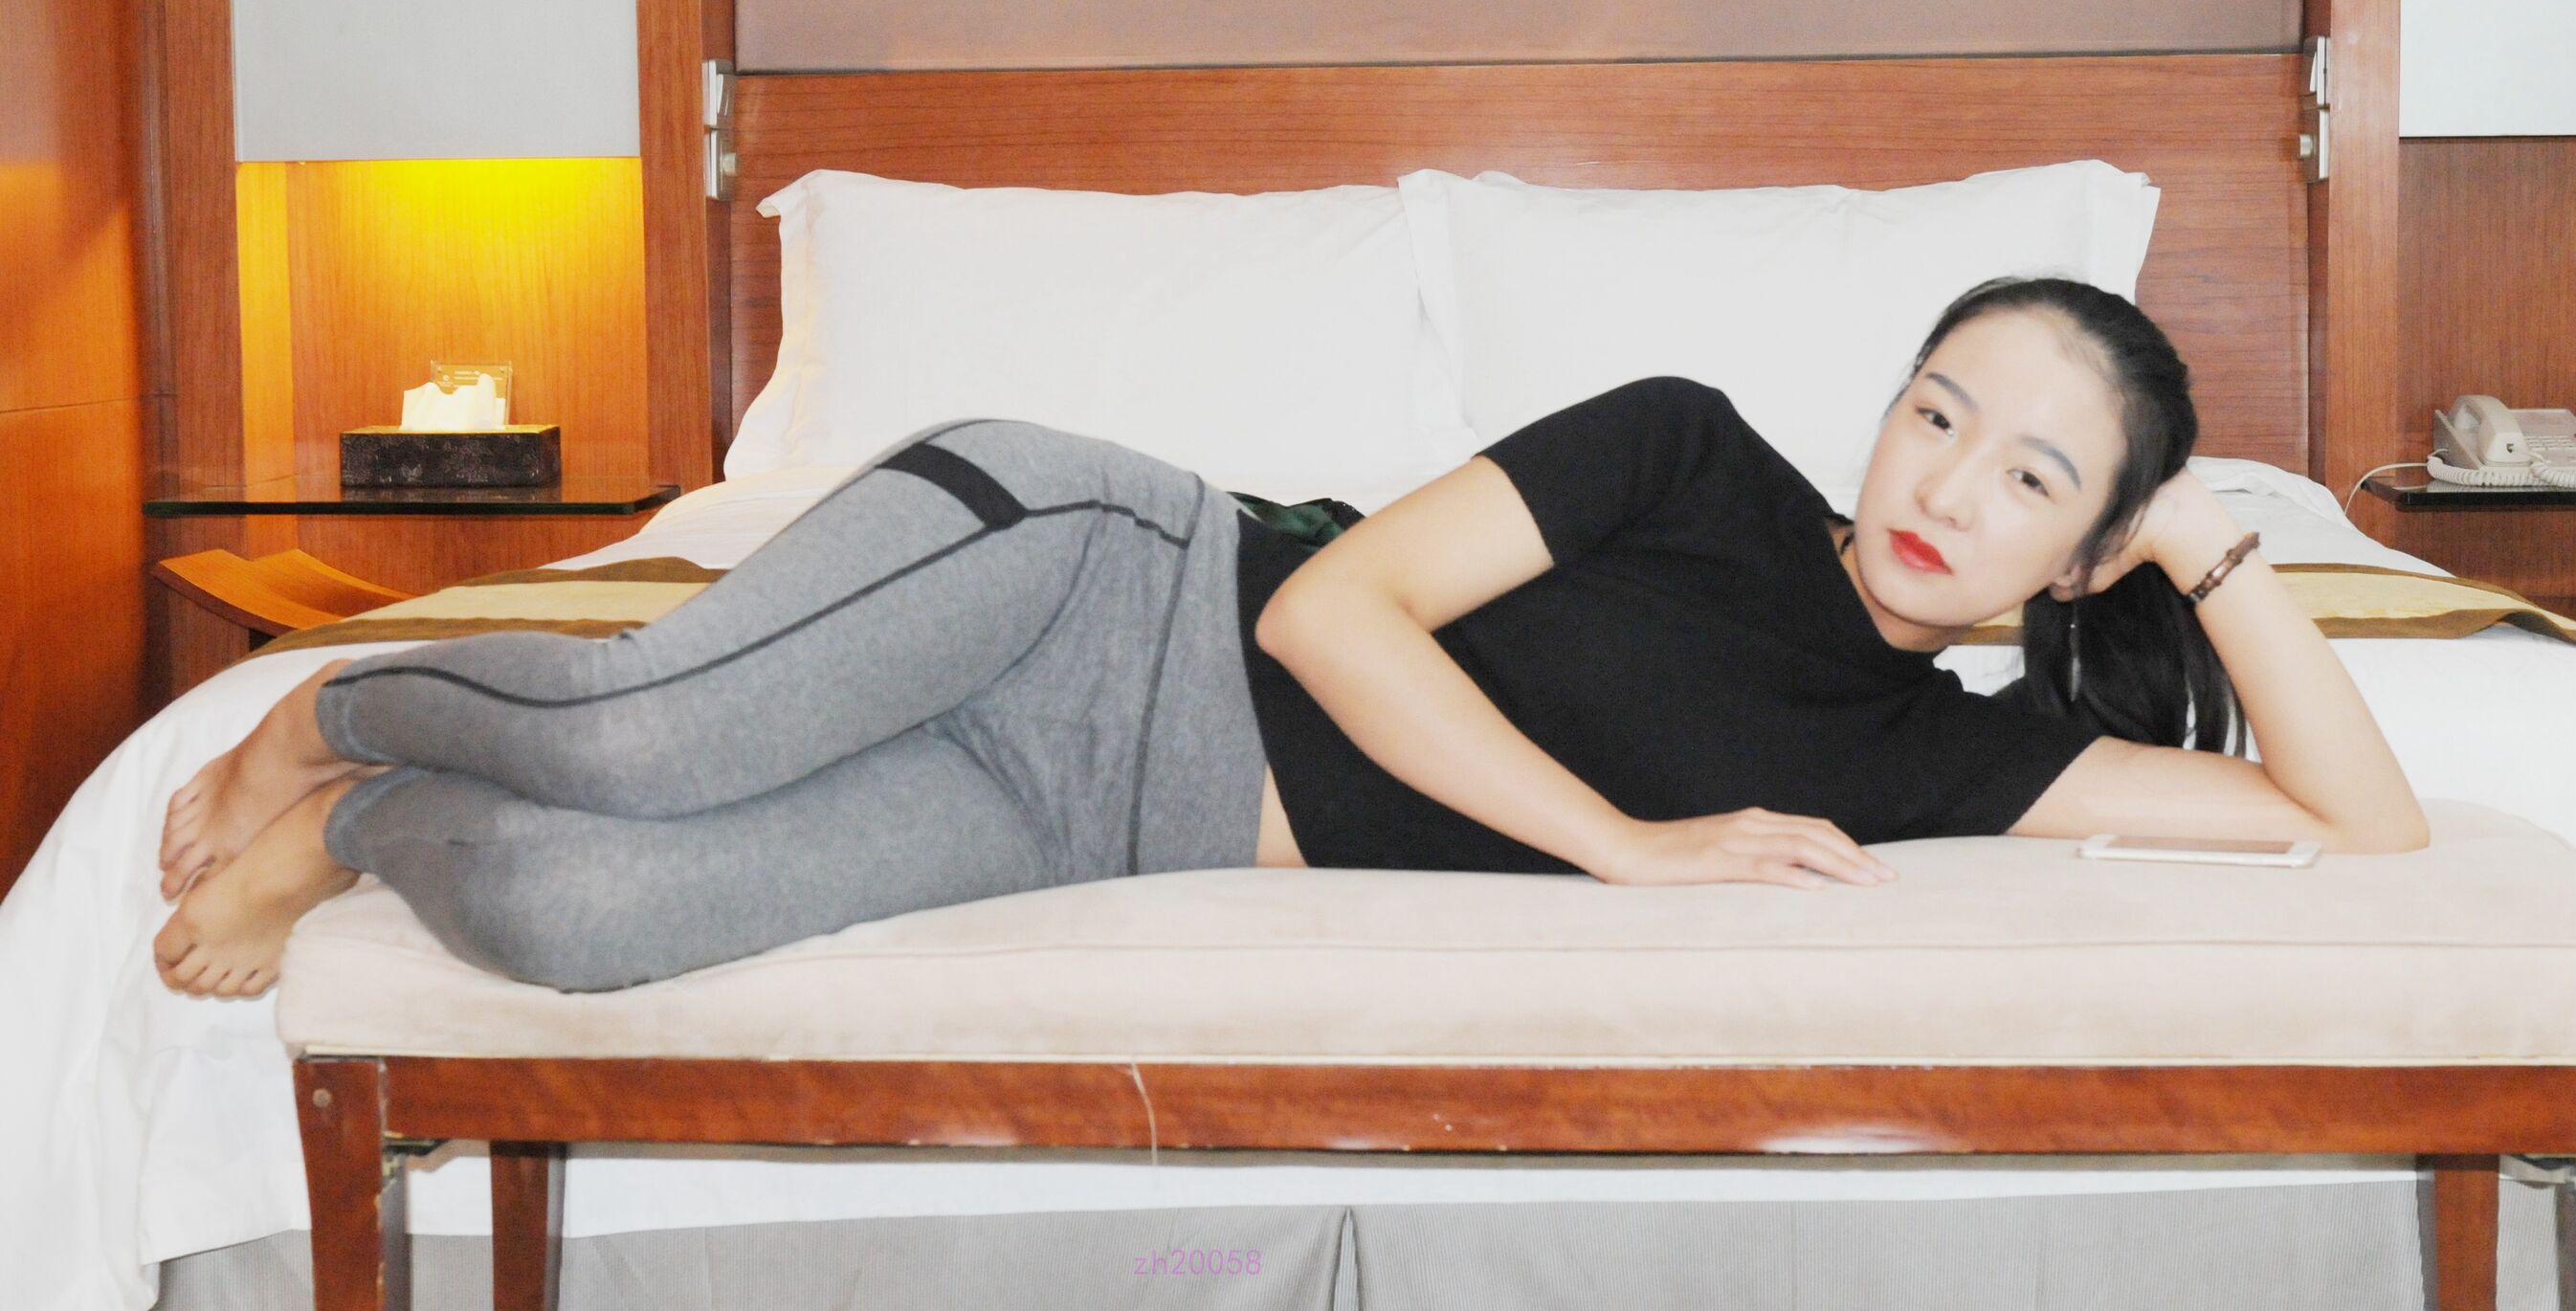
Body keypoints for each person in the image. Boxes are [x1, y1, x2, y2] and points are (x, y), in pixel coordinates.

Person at [153, 275, 2430, 999]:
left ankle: (356, 826)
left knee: (573, 919)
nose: (1947, 485)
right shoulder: (1685, 450)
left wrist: (2211, 541)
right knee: (637, 735)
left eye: (2032, 477)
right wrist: (1626, 848)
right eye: (1940, 412)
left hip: (1090, 812)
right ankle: (325, 715)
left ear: (2082, 554)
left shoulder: (1949, 754)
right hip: (1101, 580)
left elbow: (2365, 826)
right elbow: (1338, 610)